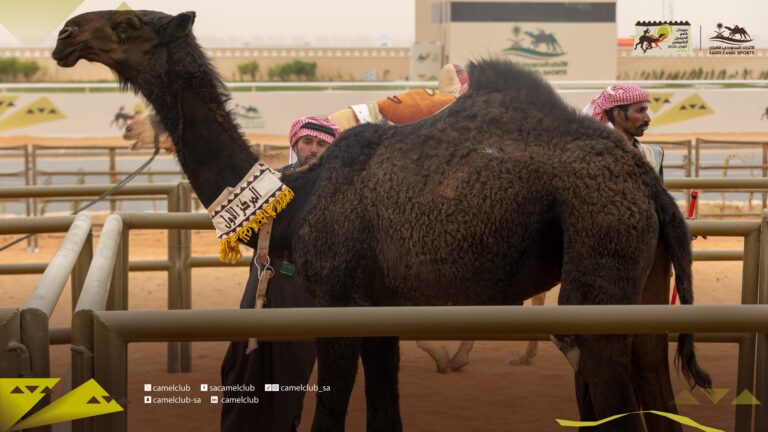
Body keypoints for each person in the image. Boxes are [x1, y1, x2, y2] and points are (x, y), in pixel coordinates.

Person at [220, 115, 340, 432]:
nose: (314, 149)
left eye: (322, 144)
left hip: (304, 290)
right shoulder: (271, 181)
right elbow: (232, 221)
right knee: (241, 370)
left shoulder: (339, 192)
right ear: (295, 144)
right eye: (307, 141)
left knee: (289, 376)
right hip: (261, 281)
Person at [583, 84, 664, 177]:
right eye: (640, 111)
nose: (647, 118)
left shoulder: (654, 154)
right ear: (618, 114)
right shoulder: (597, 157)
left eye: (645, 111)